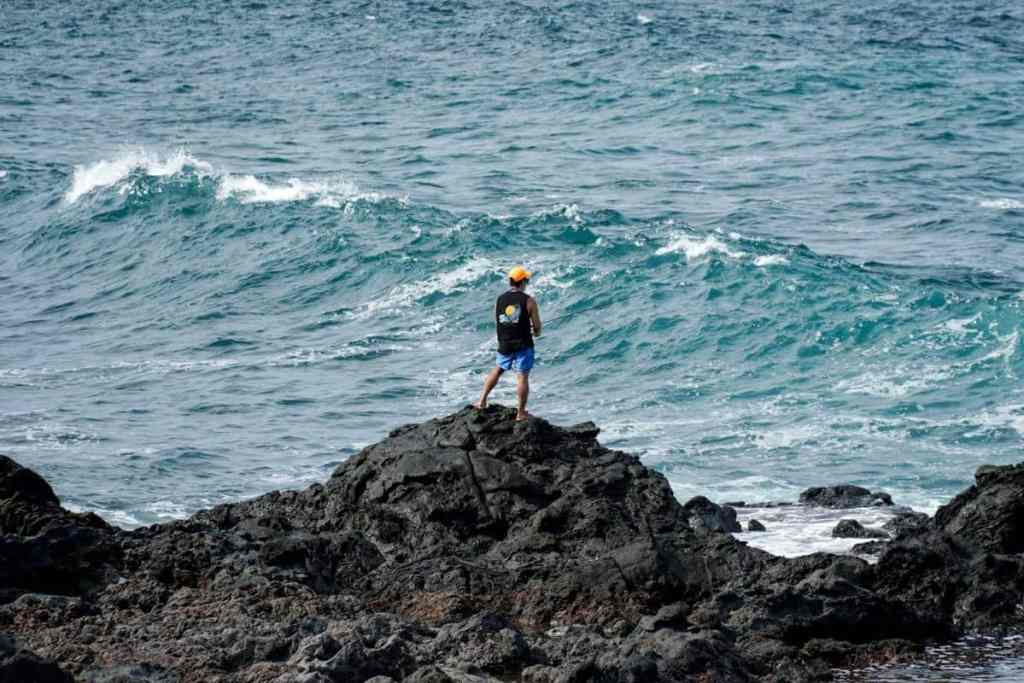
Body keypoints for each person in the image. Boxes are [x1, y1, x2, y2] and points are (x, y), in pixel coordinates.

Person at [474, 265, 542, 421]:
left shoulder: (500, 299)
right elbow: (537, 327)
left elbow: (498, 321)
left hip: (504, 343)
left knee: (497, 370)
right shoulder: (529, 301)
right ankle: (521, 413)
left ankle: (482, 401)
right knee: (522, 377)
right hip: (523, 344)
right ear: (523, 281)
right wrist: (536, 332)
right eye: (527, 279)